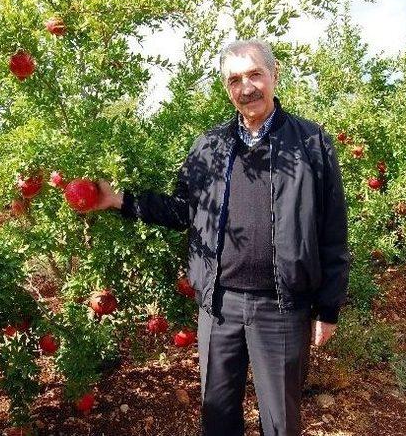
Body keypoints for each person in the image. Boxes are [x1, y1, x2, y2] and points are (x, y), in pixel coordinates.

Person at [91, 38, 349, 436]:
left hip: (282, 306)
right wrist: (118, 200)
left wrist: (327, 307)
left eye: (255, 75)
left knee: (281, 421)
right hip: (219, 305)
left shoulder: (310, 143)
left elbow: (333, 231)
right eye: (235, 80)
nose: (246, 88)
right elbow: (184, 211)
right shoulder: (208, 147)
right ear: (227, 88)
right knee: (218, 416)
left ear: (274, 76)